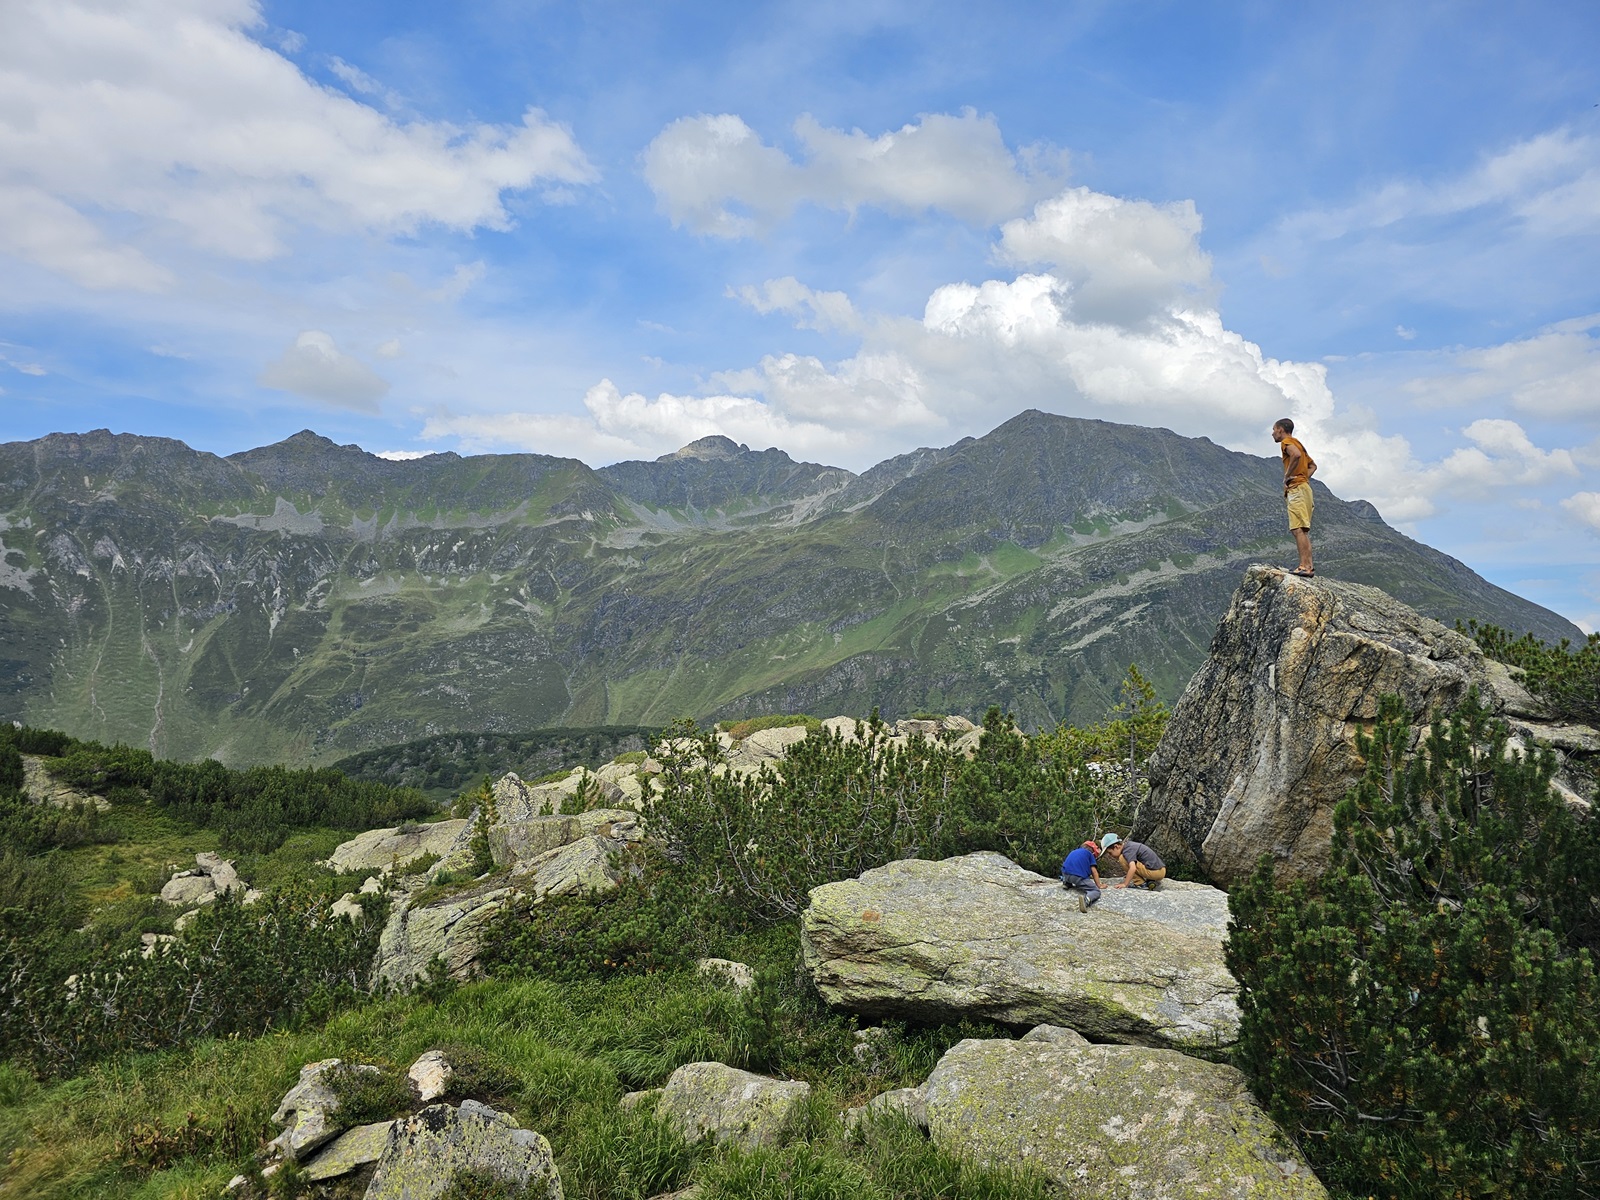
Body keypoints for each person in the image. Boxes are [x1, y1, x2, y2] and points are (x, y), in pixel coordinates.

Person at [1271, 418, 1316, 578]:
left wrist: (1288, 476)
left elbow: (1295, 455)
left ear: (1281, 430)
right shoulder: (1298, 443)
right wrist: (1303, 478)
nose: (1272, 433)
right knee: (1302, 529)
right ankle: (1308, 565)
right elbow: (1313, 466)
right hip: (1304, 488)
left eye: (1274, 429)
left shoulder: (1287, 442)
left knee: (1297, 529)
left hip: (1297, 489)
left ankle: (1305, 566)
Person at [1100, 832, 1167, 890]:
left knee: (1122, 859)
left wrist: (1125, 884)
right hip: (1160, 870)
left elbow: (1133, 868)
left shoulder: (1127, 851)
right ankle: (1150, 881)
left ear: (1116, 846)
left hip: (1156, 872)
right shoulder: (1129, 846)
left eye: (1110, 853)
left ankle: (1140, 883)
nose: (1110, 855)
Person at [1060, 838, 1104, 913]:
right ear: (1093, 851)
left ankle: (1067, 884)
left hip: (1065, 875)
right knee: (1096, 891)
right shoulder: (1090, 854)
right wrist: (1099, 885)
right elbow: (1094, 872)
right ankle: (1086, 900)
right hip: (1078, 877)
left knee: (1070, 873)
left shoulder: (1074, 851)